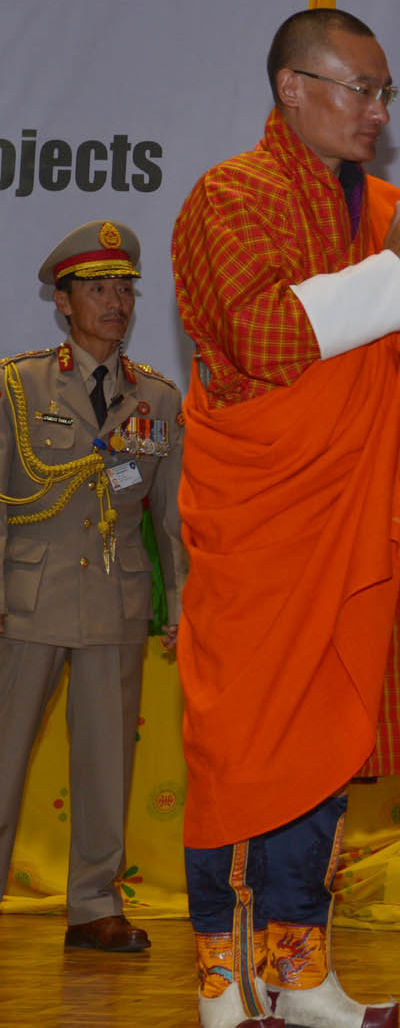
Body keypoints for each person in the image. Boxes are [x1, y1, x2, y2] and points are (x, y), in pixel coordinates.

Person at [169, 8, 400, 1028]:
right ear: (293, 89)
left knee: (327, 741)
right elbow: (259, 333)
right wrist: (399, 271)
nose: (376, 111)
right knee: (244, 747)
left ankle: (298, 967)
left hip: (353, 516)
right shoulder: (226, 197)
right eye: (358, 89)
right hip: (262, 516)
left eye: (385, 93)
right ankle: (220, 981)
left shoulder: (393, 213)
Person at [0, 220, 186, 954]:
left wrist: (185, 604)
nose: (116, 302)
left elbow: (172, 519)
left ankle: (93, 904)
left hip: (117, 597)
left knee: (108, 758)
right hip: (29, 598)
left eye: (125, 288)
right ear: (63, 302)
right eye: (99, 289)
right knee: (4, 754)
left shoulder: (158, 400)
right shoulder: (18, 386)